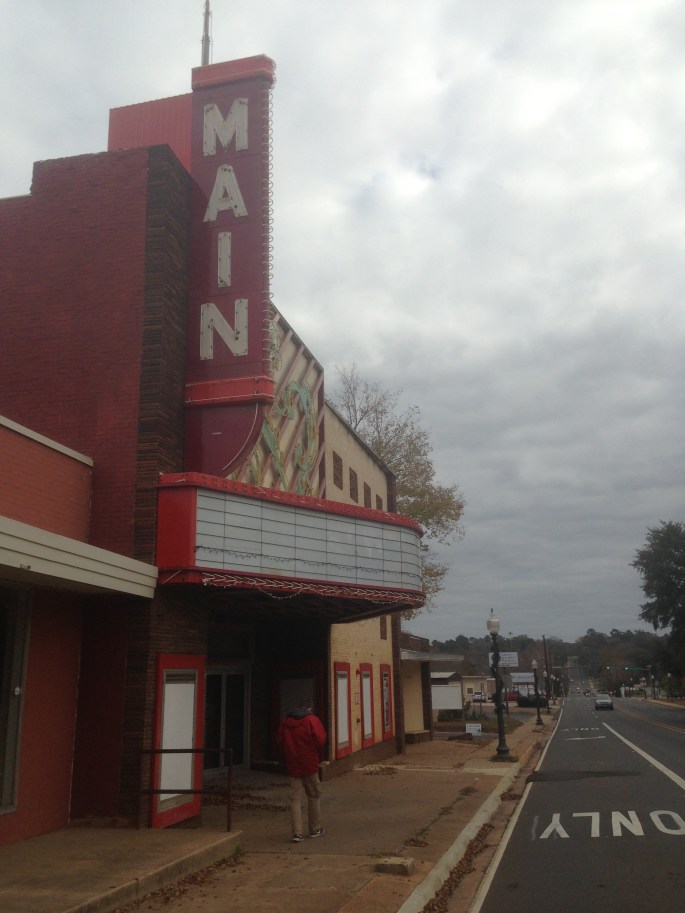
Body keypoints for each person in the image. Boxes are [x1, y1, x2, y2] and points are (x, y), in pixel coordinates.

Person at [275, 703, 327, 842]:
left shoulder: (286, 723)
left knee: (295, 798)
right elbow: (320, 739)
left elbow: (280, 741)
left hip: (293, 764)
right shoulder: (311, 720)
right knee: (314, 795)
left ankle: (297, 833)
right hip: (309, 763)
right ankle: (315, 829)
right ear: (308, 709)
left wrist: (287, 754)